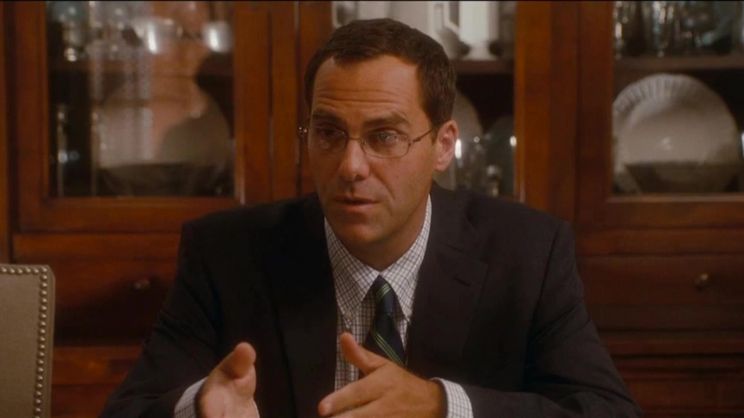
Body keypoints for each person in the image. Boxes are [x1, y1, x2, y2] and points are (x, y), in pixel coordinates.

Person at [101, 18, 641, 418]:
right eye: (329, 133)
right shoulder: (226, 254)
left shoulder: (528, 253)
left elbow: (607, 411)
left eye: (384, 136)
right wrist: (198, 407)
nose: (351, 167)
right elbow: (129, 410)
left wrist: (441, 406)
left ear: (443, 146)